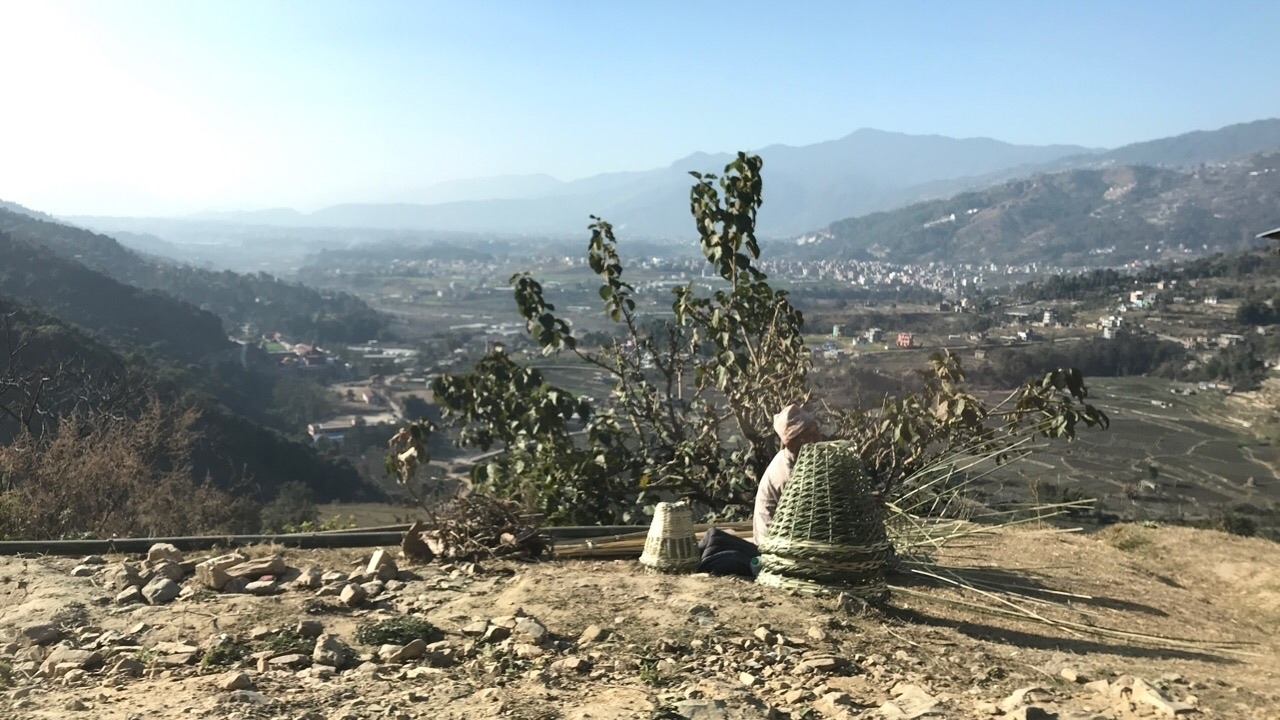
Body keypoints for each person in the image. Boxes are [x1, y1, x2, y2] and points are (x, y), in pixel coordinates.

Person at [752, 404, 821, 545]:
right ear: (791, 444)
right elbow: (808, 512)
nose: (817, 438)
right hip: (775, 544)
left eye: (816, 431)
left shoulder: (807, 460)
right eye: (809, 435)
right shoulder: (785, 473)